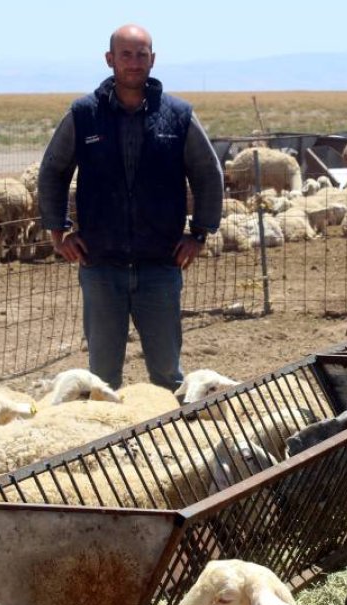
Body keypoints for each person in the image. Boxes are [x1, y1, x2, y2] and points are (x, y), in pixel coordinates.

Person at [37, 24, 223, 392]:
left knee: (168, 373)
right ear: (110, 60)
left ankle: (175, 441)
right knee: (103, 376)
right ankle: (108, 446)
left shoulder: (178, 115)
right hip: (101, 266)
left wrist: (200, 232)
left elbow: (207, 171)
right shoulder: (84, 114)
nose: (134, 63)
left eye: (141, 55)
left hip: (160, 266)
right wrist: (58, 231)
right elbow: (53, 170)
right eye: (126, 54)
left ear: (152, 60)